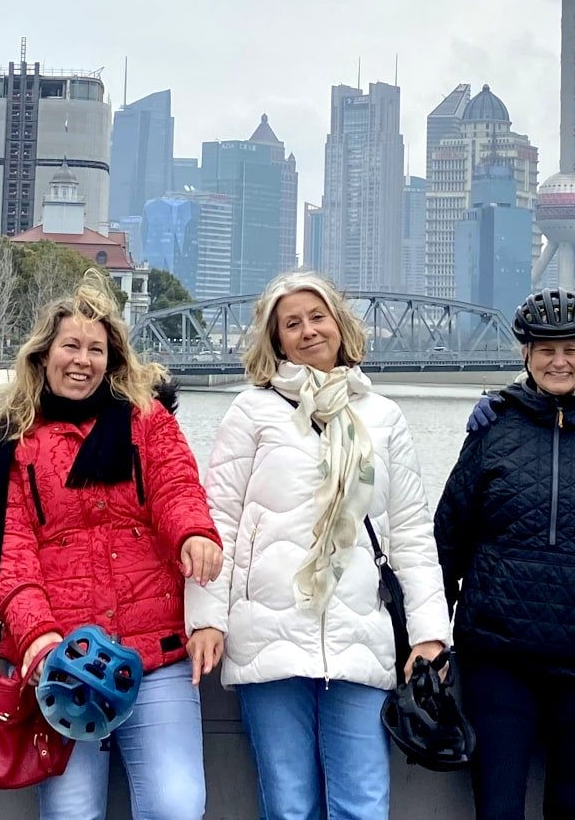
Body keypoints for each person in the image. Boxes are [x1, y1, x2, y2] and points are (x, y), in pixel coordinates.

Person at [184, 272, 450, 820]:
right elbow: (219, 525)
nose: (308, 331)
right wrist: (207, 618)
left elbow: (410, 533)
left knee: (363, 804)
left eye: (317, 316)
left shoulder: (382, 416)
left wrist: (428, 634)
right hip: (268, 636)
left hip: (359, 633)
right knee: (289, 806)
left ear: (339, 323)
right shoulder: (251, 411)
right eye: (292, 323)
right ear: (275, 339)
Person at [0, 284, 222, 820]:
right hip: (66, 661)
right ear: (44, 355)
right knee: (71, 813)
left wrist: (194, 533)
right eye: (70, 346)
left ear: (113, 358)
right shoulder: (17, 443)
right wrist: (39, 636)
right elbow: (12, 552)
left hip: (156, 651)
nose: (82, 360)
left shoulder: (148, 421)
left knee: (177, 806)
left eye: (96, 349)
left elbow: (176, 486)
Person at [435, 289, 575, 820]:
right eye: (546, 349)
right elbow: (447, 540)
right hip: (498, 660)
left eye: (571, 349)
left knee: (572, 809)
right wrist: (431, 636)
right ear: (525, 353)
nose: (559, 361)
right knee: (498, 809)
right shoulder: (491, 431)